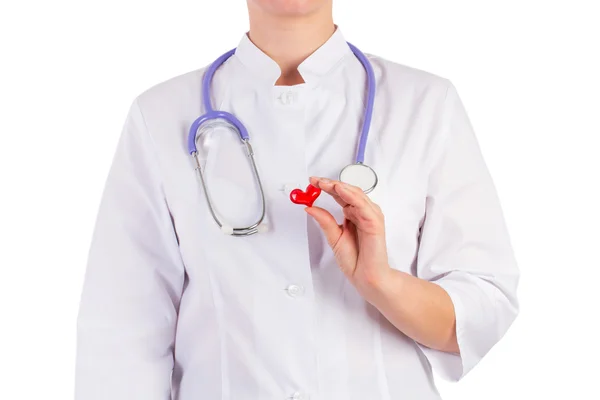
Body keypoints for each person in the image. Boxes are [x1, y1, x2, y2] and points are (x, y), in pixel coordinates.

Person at [75, 1, 519, 399]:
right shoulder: (160, 114)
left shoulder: (424, 103)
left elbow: (482, 306)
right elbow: (122, 331)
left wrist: (382, 283)